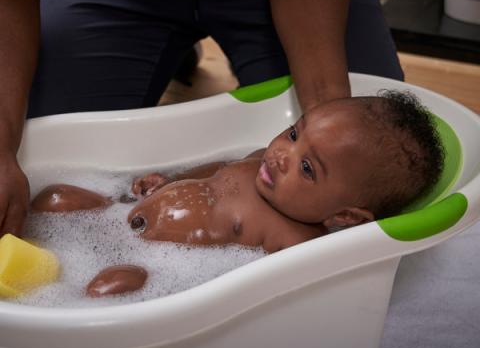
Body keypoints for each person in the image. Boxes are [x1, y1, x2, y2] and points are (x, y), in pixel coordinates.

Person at [0, 0, 404, 238]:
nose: (284, 153)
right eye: (294, 140)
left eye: (303, 160)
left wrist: (325, 129)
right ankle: (159, 38)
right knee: (43, 147)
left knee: (377, 158)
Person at [31, 91, 444, 253]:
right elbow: (216, 169)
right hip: (119, 211)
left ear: (346, 217)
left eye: (306, 167)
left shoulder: (297, 239)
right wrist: (168, 181)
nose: (282, 152)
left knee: (115, 286)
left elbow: (251, 294)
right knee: (52, 197)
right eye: (295, 131)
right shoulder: (262, 156)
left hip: (148, 260)